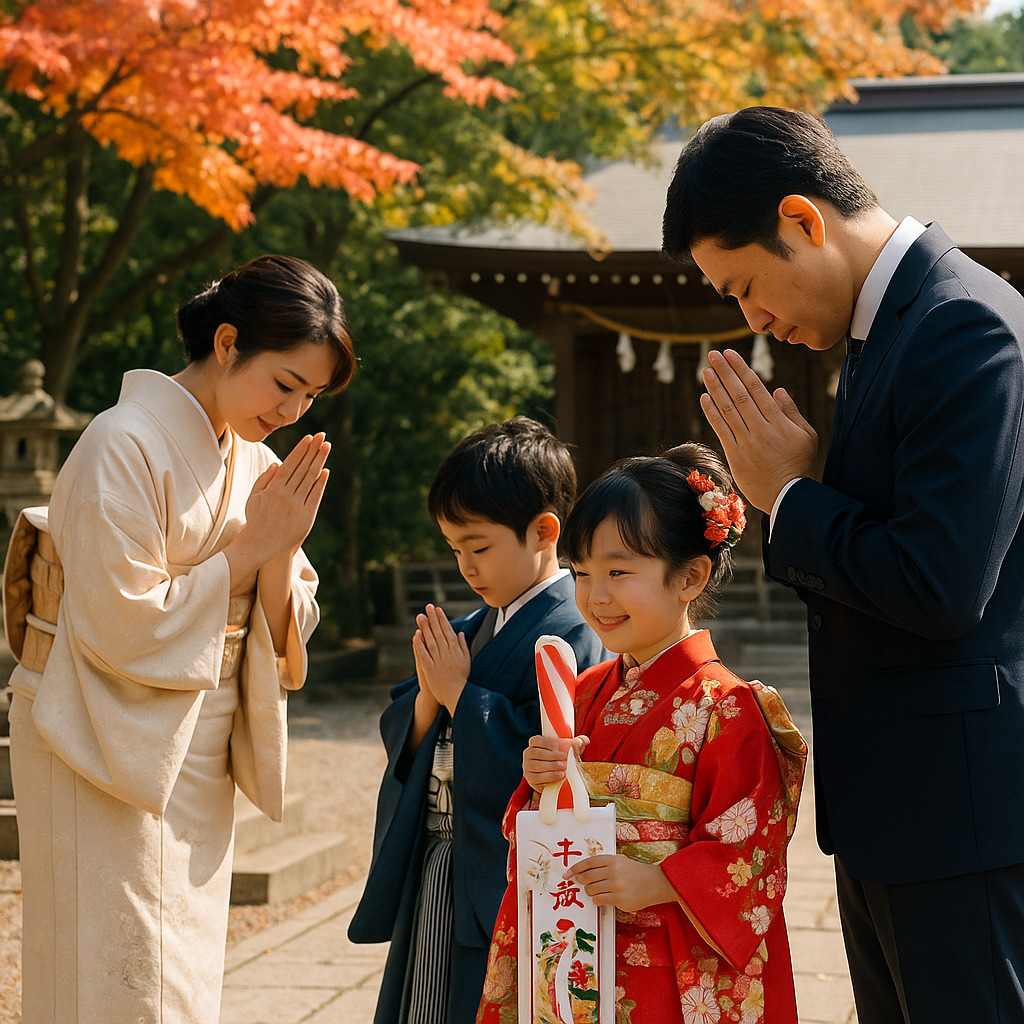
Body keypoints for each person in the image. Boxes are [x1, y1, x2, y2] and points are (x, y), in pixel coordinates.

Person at [663, 105, 1024, 1023]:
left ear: (802, 220)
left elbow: (938, 584)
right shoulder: (885, 328)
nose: (753, 318)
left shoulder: (960, 324)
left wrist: (789, 496)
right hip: (899, 818)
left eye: (746, 286)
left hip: (962, 822)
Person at [3, 254, 355, 1024]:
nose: (295, 409)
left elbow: (290, 607)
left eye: (312, 395)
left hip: (199, 735)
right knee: (112, 974)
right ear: (227, 343)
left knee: (181, 976)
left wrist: (272, 554)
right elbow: (120, 619)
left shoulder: (255, 461)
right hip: (96, 729)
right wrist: (252, 547)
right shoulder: (119, 442)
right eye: (286, 383)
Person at [477, 443, 807, 1024]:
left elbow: (751, 852)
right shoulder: (582, 691)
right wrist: (541, 783)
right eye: (581, 573)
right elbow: (538, 827)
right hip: (578, 928)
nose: (596, 595)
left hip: (667, 950)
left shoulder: (730, 706)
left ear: (690, 577)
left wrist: (656, 881)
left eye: (619, 571)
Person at [348, 416, 606, 1024]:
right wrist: (431, 699)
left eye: (479, 547)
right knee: (428, 999)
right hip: (444, 858)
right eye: (455, 549)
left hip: (510, 874)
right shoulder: (468, 630)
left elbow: (562, 761)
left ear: (544, 531)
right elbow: (408, 728)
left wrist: (461, 696)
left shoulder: (577, 631)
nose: (466, 566)